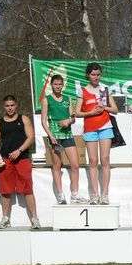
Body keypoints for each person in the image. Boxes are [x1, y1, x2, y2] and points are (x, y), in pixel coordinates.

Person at [0, 95, 41, 229]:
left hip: (22, 159)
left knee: (27, 189)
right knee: (5, 190)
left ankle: (35, 219)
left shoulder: (24, 119)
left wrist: (19, 151)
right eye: (7, 106)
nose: (10, 108)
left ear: (16, 105)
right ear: (4, 107)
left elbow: (31, 137)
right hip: (5, 160)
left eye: (12, 105)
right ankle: (5, 219)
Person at [40, 74, 88, 204]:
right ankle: (60, 195)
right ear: (51, 85)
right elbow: (43, 121)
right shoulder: (46, 100)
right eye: (55, 84)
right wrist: (51, 136)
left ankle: (75, 194)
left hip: (67, 135)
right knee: (57, 165)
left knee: (75, 165)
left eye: (60, 84)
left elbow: (73, 118)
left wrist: (69, 121)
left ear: (63, 85)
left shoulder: (68, 99)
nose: (58, 86)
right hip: (55, 137)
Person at [75, 63, 118, 205]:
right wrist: (91, 112)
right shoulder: (82, 91)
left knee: (105, 159)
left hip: (105, 126)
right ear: (88, 75)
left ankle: (105, 194)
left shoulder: (104, 89)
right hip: (90, 128)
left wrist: (104, 107)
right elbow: (77, 113)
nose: (96, 77)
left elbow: (115, 109)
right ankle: (94, 194)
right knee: (93, 161)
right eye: (93, 74)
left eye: (98, 74)